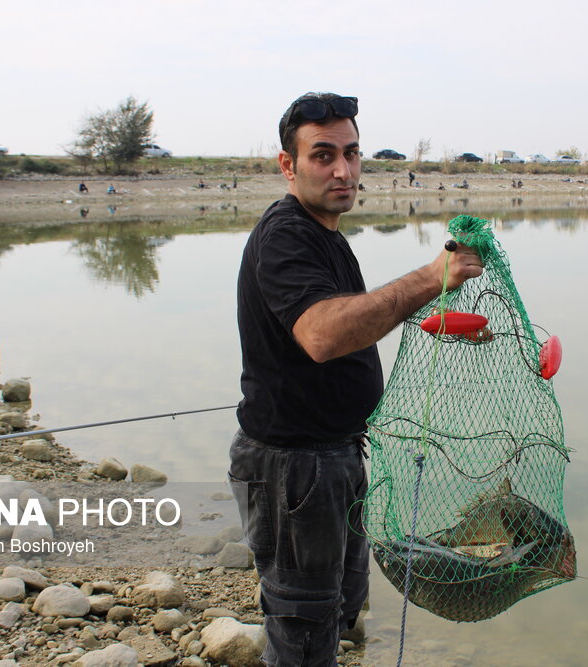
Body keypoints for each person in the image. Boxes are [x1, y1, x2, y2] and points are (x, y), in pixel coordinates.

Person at [229, 92, 482, 666]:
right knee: (302, 628)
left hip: (336, 457)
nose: (343, 170)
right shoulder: (285, 235)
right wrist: (428, 277)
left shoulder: (327, 234)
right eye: (323, 155)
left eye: (351, 153)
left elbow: (353, 320)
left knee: (340, 608)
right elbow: (321, 334)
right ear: (288, 165)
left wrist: (435, 315)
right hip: (294, 470)